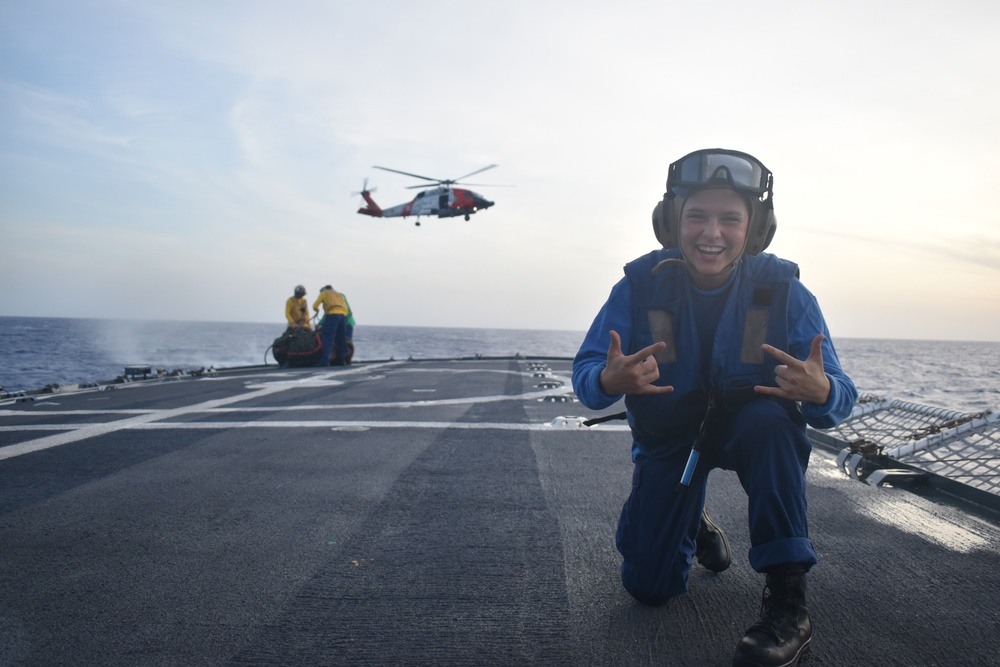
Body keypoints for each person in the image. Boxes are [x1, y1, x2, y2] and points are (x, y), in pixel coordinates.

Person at [572, 148, 857, 667]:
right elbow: (589, 377)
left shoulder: (786, 291)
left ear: (755, 228)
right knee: (649, 588)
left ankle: (789, 603)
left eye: (730, 219)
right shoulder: (638, 287)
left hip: (750, 430)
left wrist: (823, 394)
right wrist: (606, 379)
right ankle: (691, 518)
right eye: (697, 216)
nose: (712, 233)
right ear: (671, 221)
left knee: (773, 423)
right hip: (671, 441)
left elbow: (839, 393)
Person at [312, 284, 349, 366]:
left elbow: (315, 305)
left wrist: (317, 310)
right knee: (341, 338)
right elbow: (346, 309)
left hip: (332, 315)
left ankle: (325, 361)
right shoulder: (339, 294)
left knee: (328, 337)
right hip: (342, 316)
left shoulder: (324, 293)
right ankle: (342, 360)